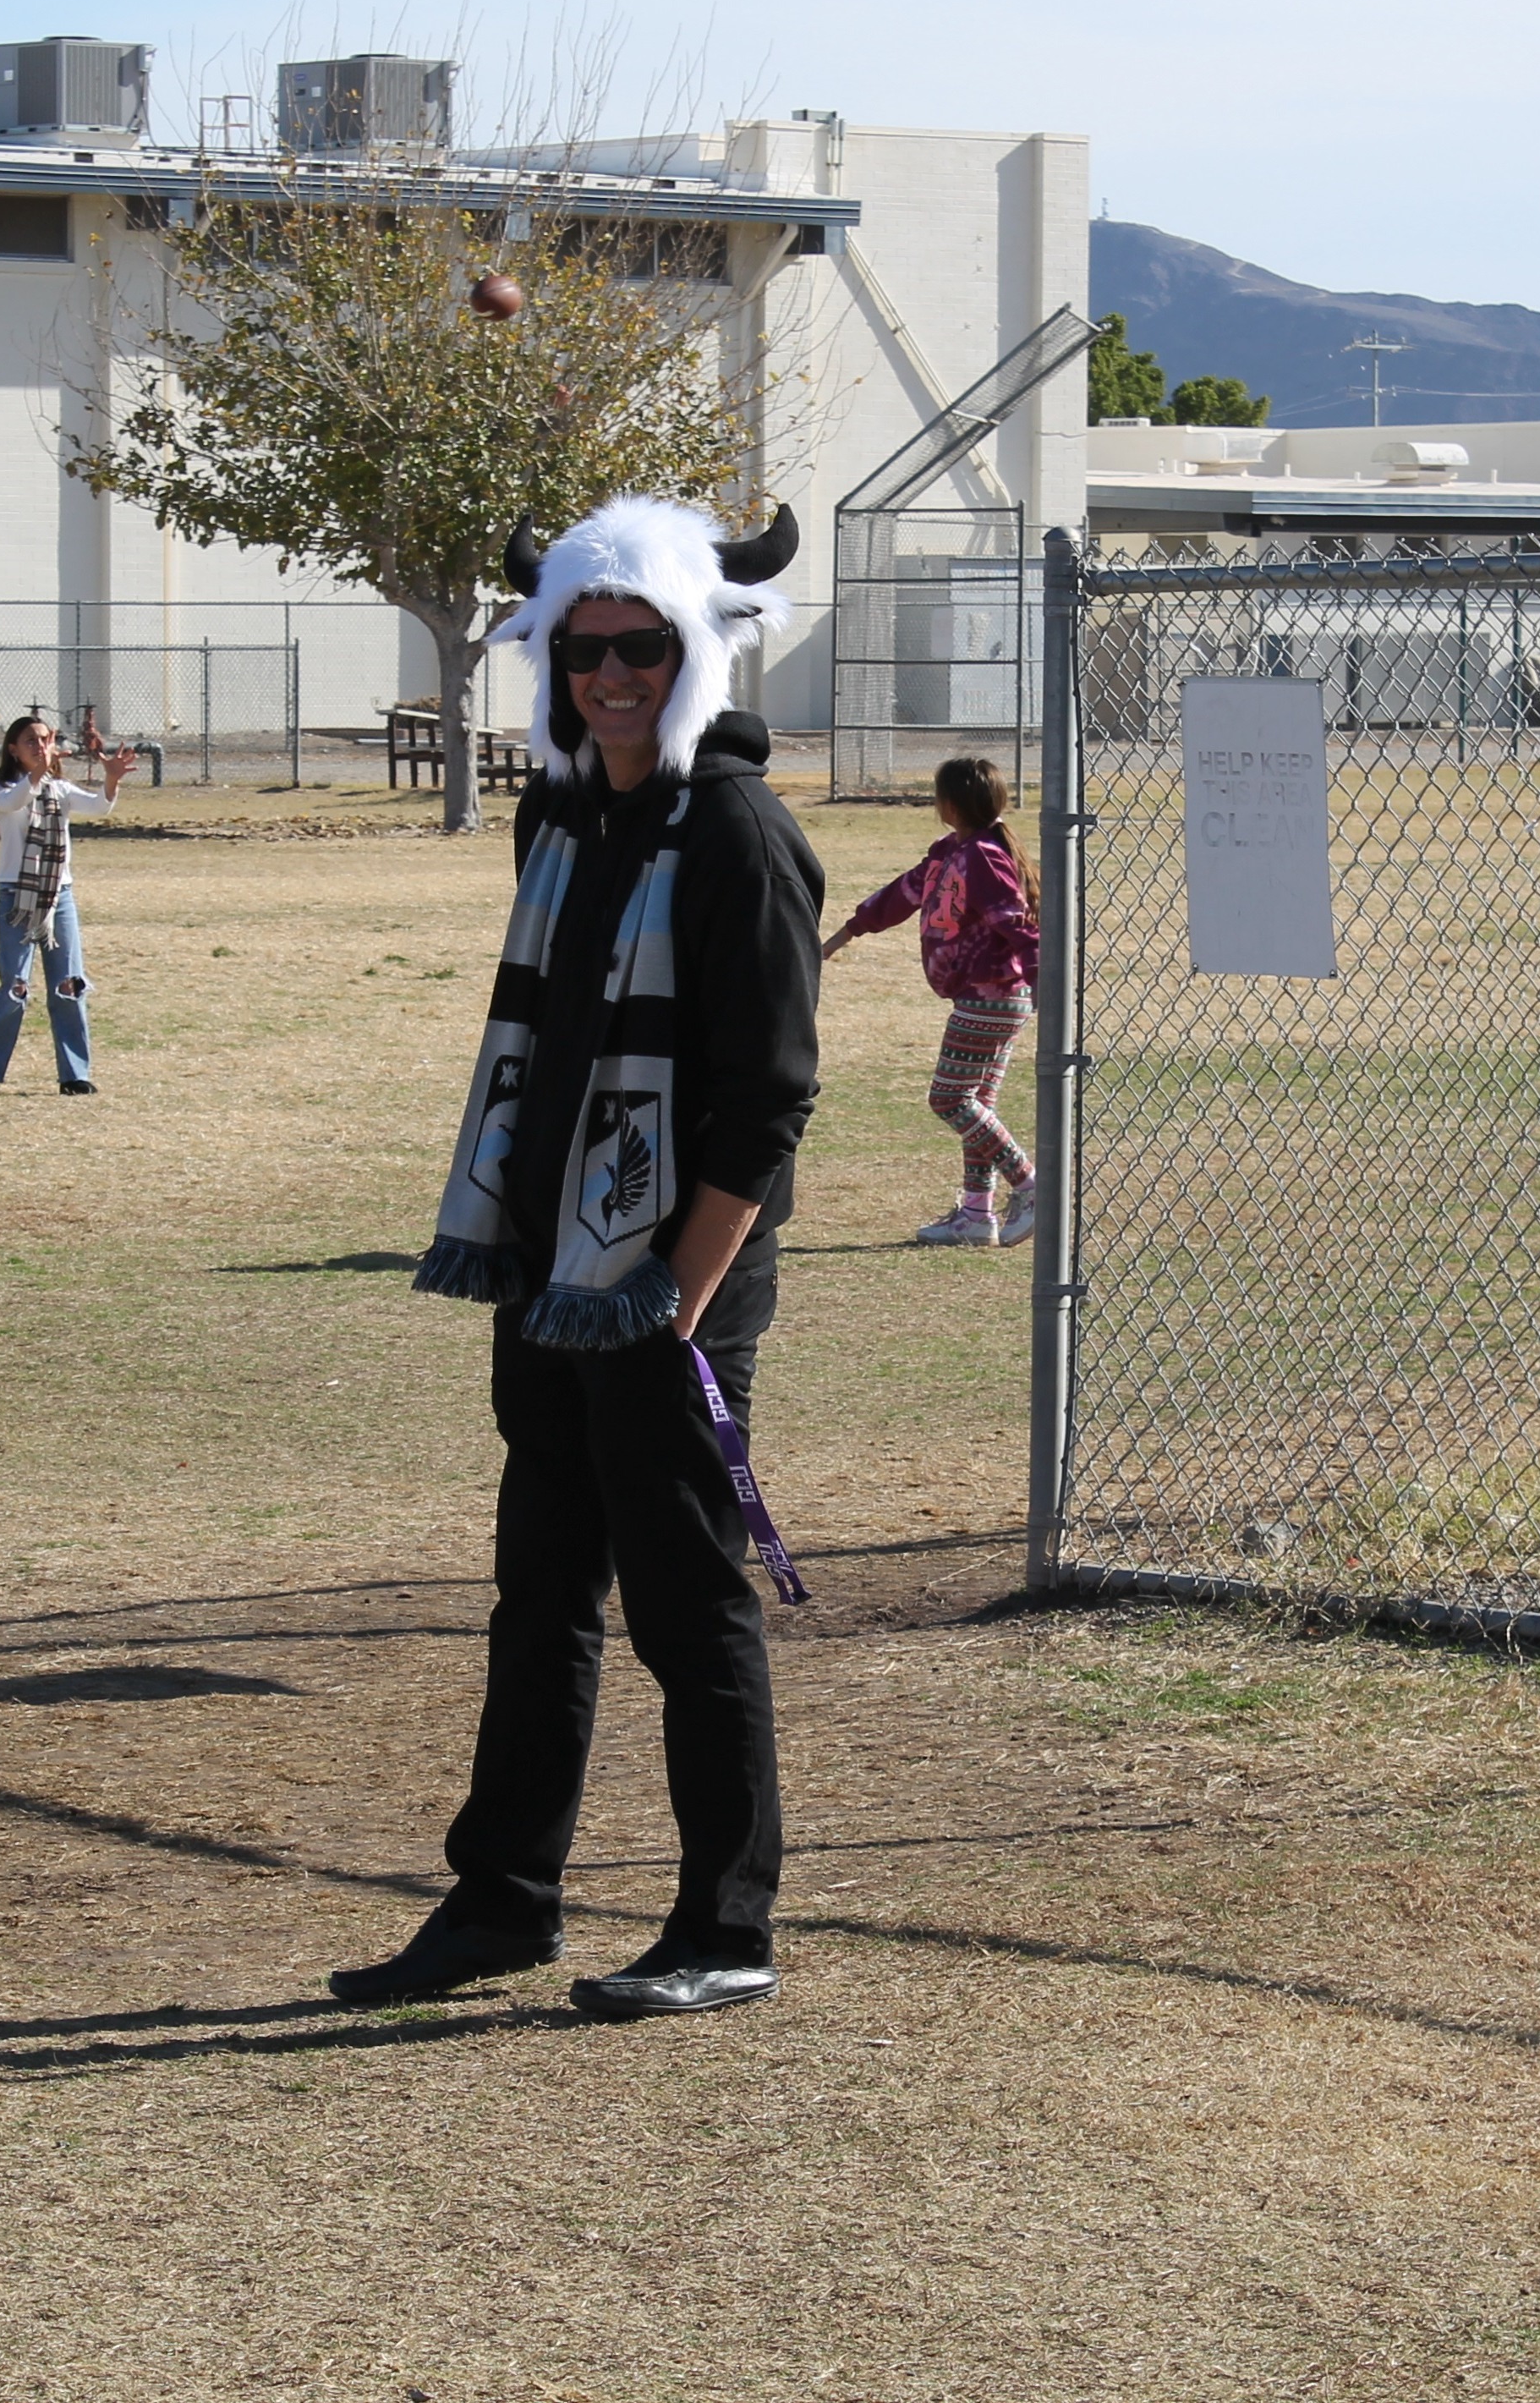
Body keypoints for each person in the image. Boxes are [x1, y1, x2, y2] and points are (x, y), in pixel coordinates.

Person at [332, 494, 823, 2022]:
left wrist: (675, 1294)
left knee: (688, 1608)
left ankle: (723, 1925)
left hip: (666, 1293)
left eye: (638, 645)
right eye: (582, 646)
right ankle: (502, 1899)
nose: (608, 673)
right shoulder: (562, 817)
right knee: (536, 1593)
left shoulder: (738, 828)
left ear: (694, 653)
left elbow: (770, 1100)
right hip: (546, 1274)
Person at [822, 755, 1041, 1248]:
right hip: (983, 997)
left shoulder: (984, 856)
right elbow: (899, 896)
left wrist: (1041, 983)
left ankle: (1029, 1185)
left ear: (950, 804)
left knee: (950, 1100)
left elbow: (1020, 927)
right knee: (978, 1104)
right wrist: (843, 935)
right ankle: (975, 1214)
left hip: (992, 997)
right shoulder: (949, 853)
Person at [0, 712, 138, 1097]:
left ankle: (75, 1075)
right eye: (31, 741)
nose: (40, 747)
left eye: (45, 740)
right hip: (16, 895)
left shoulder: (60, 789)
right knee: (15, 986)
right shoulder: (2, 791)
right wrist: (38, 773)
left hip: (60, 895)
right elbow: (17, 798)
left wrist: (111, 778)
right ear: (13, 750)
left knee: (69, 984)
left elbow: (98, 807)